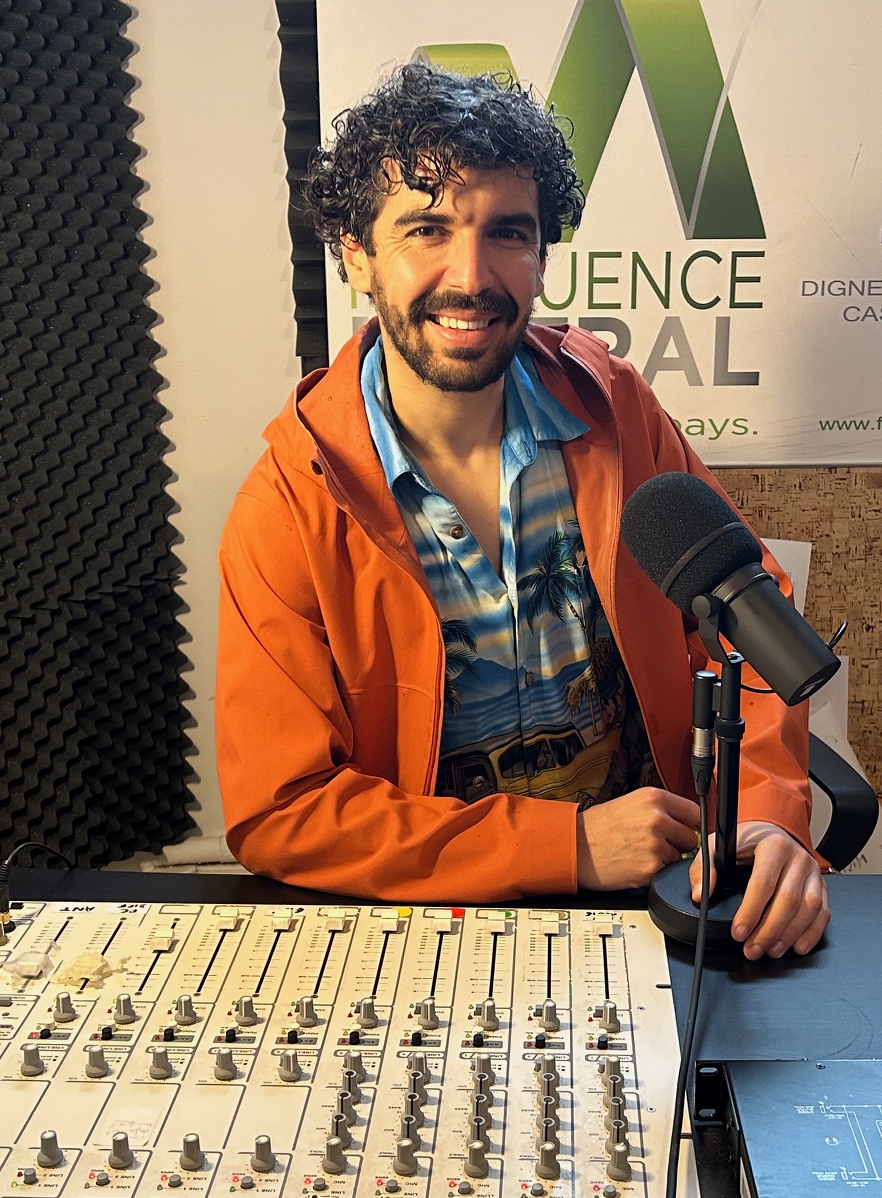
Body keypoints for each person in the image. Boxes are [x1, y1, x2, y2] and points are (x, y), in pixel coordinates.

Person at [216, 64, 828, 958]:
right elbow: (284, 810)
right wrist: (564, 846)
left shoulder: (616, 410)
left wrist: (767, 814)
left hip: (658, 898)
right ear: (354, 254)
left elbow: (746, 623)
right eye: (427, 229)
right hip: (432, 921)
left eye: (507, 232)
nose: (471, 277)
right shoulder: (291, 504)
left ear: (541, 255)